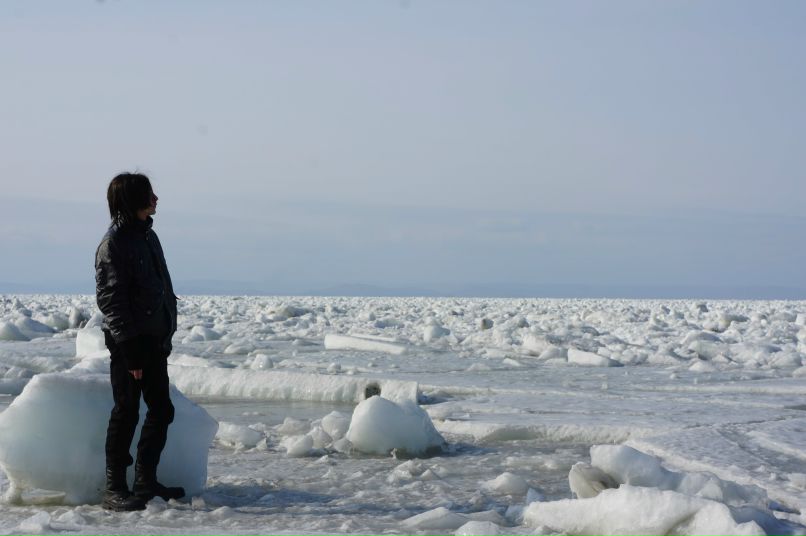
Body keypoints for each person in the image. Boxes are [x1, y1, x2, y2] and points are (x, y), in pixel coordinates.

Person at [95, 172, 184, 511]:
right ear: (133, 200)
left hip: (153, 339)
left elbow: (160, 285)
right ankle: (114, 488)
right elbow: (111, 300)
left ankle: (146, 481)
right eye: (149, 194)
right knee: (127, 411)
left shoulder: (148, 236)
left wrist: (166, 329)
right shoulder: (113, 243)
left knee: (162, 409)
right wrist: (130, 350)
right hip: (128, 343)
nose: (156, 199)